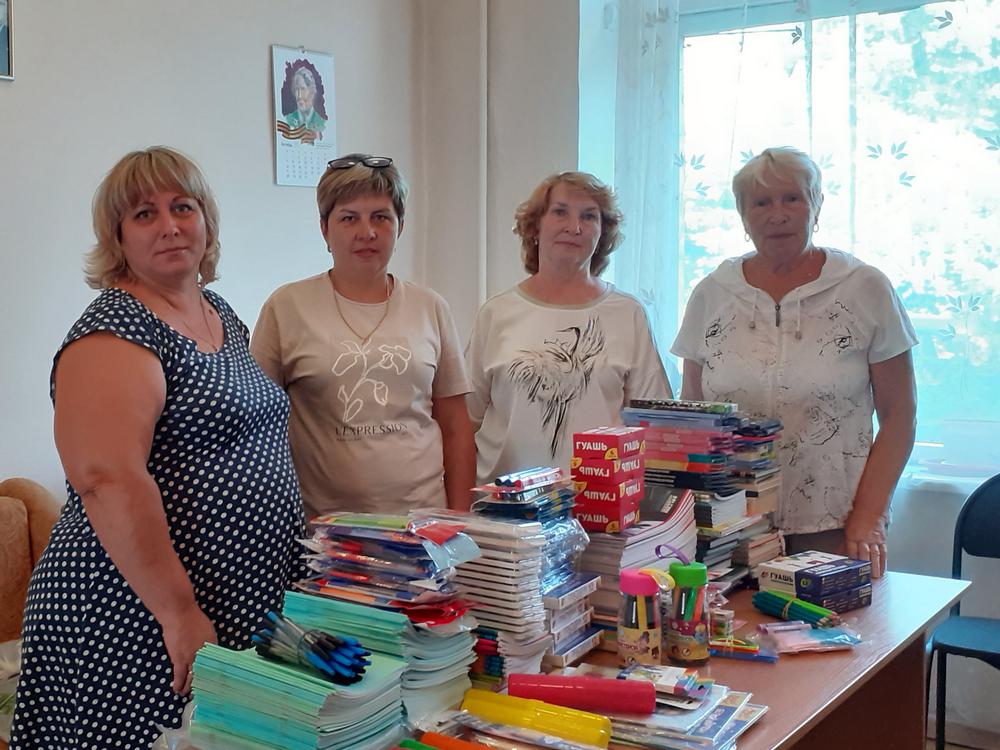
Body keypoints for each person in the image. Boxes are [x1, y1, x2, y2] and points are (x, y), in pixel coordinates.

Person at [9, 147, 304, 749]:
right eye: (145, 214)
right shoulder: (112, 332)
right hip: (131, 615)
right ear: (118, 237)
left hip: (233, 600)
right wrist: (178, 612)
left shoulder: (219, 313)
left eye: (182, 207)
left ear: (206, 221)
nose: (169, 225)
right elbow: (106, 479)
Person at [672, 147, 917, 577]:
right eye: (761, 203)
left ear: (816, 205)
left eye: (792, 199)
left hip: (836, 527)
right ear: (744, 216)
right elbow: (693, 416)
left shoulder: (865, 288)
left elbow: (900, 417)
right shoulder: (712, 294)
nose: (777, 215)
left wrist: (868, 517)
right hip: (730, 528)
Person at [251, 154, 475, 518]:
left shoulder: (430, 307)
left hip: (424, 525)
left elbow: (456, 427)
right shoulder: (286, 307)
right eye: (349, 218)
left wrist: (460, 519)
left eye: (381, 217)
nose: (367, 232)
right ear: (324, 229)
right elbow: (259, 425)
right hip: (326, 529)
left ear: (400, 226)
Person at [466, 171, 672, 483]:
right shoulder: (496, 313)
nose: (574, 227)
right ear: (535, 226)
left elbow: (652, 424)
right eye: (560, 212)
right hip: (507, 502)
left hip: (601, 501)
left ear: (602, 233)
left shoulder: (628, 314)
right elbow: (464, 420)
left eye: (589, 217)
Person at [284, 66, 327, 135]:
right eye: (296, 89)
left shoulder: (321, 122)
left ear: (311, 91)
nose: (299, 96)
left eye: (303, 89)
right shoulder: (288, 120)